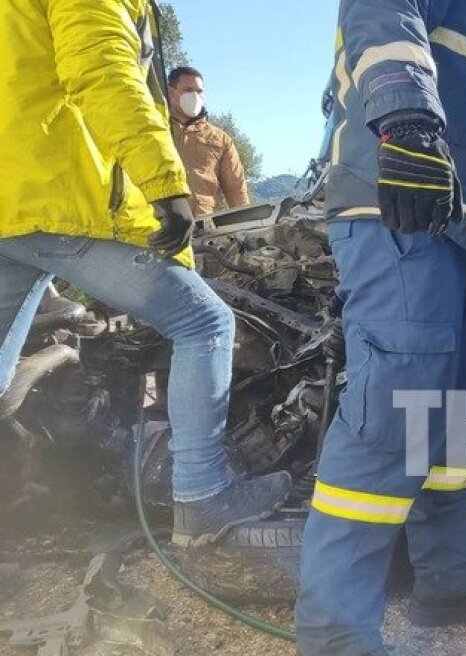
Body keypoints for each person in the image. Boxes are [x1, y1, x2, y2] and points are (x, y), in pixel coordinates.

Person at [294, 2, 466, 654]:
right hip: (402, 213)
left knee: (457, 420)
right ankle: (334, 637)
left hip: (463, 231)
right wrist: (407, 119)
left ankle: (452, 581)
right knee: (389, 423)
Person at [0, 0, 290, 546]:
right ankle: (203, 497)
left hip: (9, 211)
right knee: (204, 323)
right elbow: (104, 71)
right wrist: (162, 182)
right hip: (57, 201)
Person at [167, 66, 251, 216]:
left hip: (203, 223)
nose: (195, 96)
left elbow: (236, 189)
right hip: (160, 222)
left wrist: (248, 222)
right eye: (188, 90)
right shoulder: (154, 130)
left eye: (199, 91)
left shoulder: (220, 138)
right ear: (171, 92)